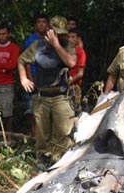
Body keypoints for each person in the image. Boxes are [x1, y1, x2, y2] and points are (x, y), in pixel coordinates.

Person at [18, 15, 77, 159]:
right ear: (49, 31)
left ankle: (61, 161)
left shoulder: (66, 46)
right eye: (57, 33)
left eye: (62, 33)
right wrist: (24, 79)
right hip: (41, 97)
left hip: (61, 96)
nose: (60, 36)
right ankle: (42, 162)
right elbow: (21, 60)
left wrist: (56, 45)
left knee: (64, 133)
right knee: (42, 135)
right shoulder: (37, 47)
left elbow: (71, 63)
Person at [22, 13, 49, 136]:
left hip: (48, 80)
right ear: (35, 25)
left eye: (44, 21)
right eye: (39, 22)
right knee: (32, 110)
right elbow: (26, 62)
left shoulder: (51, 39)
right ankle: (34, 135)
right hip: (33, 78)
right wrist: (30, 79)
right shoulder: (30, 41)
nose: (41, 24)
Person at [67, 28, 86, 113]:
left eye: (73, 37)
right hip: (64, 86)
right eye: (69, 37)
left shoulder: (80, 52)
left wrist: (69, 81)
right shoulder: (65, 50)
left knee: (73, 111)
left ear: (78, 39)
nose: (70, 39)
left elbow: (80, 73)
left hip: (74, 86)